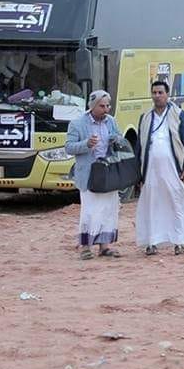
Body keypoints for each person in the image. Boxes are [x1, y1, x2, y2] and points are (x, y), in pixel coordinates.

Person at [135, 81, 184, 256]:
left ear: (167, 94)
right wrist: (137, 174)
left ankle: (179, 242)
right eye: (154, 93)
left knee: (176, 203)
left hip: (173, 169)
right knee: (152, 204)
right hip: (151, 170)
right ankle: (152, 242)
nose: (157, 96)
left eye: (160, 92)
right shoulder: (145, 117)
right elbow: (139, 148)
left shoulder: (179, 115)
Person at [65, 90, 123, 260]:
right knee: (90, 211)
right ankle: (85, 246)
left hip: (108, 171)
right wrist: (86, 144)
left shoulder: (111, 121)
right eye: (102, 106)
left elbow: (120, 139)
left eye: (108, 106)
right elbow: (69, 147)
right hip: (89, 173)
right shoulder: (77, 123)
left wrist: (115, 139)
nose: (106, 109)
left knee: (108, 209)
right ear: (93, 106)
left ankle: (105, 246)